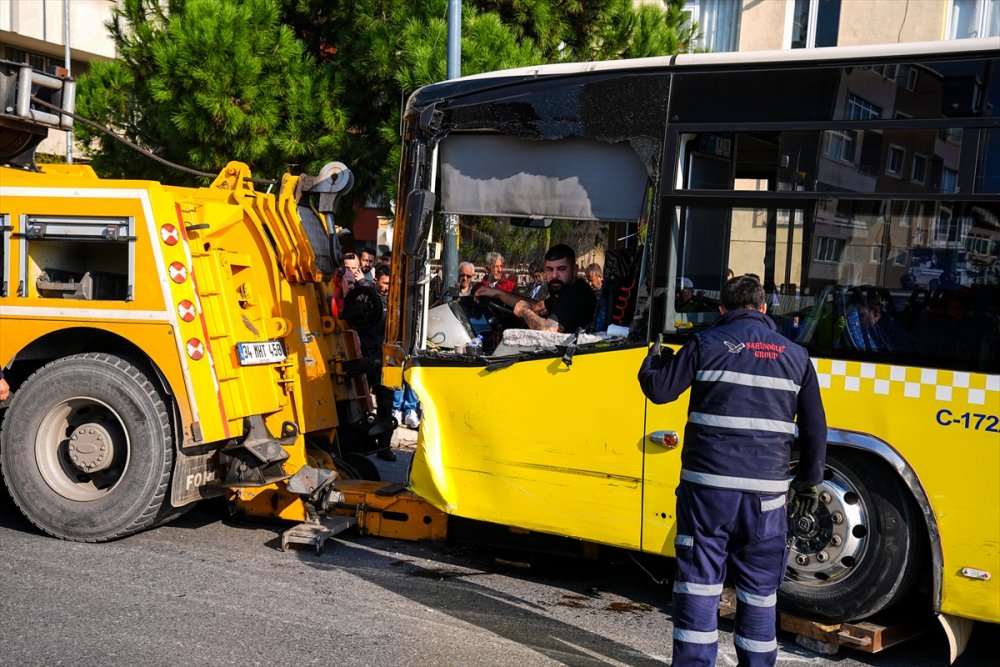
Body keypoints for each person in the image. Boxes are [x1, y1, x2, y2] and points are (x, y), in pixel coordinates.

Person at [637, 275, 827, 667]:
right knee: (759, 592)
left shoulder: (704, 344)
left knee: (700, 586)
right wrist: (809, 483)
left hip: (708, 494)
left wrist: (653, 360)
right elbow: (815, 429)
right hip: (767, 501)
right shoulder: (796, 356)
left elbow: (659, 391)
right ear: (762, 309)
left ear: (723, 309)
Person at [476, 244, 596, 333]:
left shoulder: (577, 293)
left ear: (574, 270)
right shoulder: (565, 292)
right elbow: (538, 306)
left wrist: (524, 311)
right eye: (549, 269)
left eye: (561, 269)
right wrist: (498, 293)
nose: (554, 275)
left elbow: (548, 331)